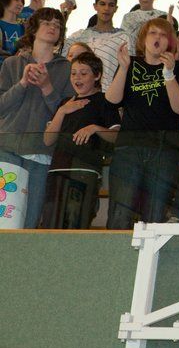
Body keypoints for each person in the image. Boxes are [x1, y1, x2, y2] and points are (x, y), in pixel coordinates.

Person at [105, 17, 179, 229]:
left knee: (155, 214)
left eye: (163, 35)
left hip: (164, 149)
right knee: (120, 211)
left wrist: (169, 74)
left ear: (169, 42)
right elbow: (112, 100)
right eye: (153, 33)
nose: (158, 38)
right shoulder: (130, 63)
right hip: (129, 147)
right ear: (144, 39)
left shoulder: (178, 67)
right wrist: (124, 68)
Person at [0, 8, 73, 228]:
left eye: (57, 25)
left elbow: (66, 116)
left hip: (41, 152)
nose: (53, 27)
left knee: (30, 221)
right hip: (7, 147)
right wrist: (22, 83)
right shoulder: (11, 64)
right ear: (33, 29)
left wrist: (47, 87)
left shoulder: (67, 69)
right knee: (4, 220)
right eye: (47, 22)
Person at [42, 51, 120, 229]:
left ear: (97, 76)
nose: (77, 77)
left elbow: (116, 135)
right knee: (50, 222)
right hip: (57, 169)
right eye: (73, 73)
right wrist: (62, 112)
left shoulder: (104, 101)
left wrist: (95, 128)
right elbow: (48, 139)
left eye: (83, 73)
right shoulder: (64, 103)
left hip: (85, 169)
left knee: (75, 220)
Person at [63, 0, 133, 92]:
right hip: (81, 95)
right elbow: (60, 50)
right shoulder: (79, 36)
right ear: (95, 6)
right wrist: (65, 16)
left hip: (109, 95)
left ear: (116, 8)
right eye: (102, 4)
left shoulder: (124, 38)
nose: (106, 8)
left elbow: (130, 71)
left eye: (111, 5)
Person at [0, 0, 25, 64]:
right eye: (16, 0)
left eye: (22, 1)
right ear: (4, 1)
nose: (20, 4)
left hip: (15, 68)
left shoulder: (23, 28)